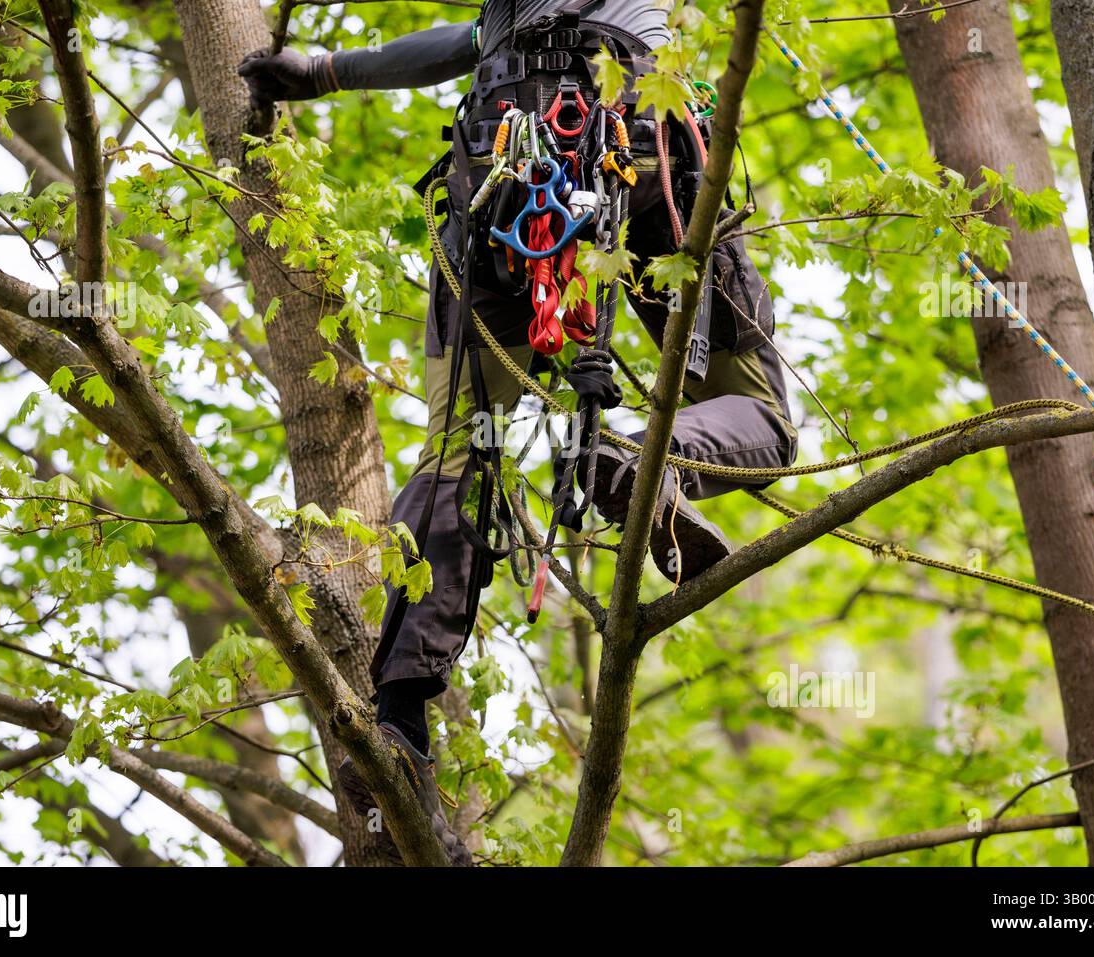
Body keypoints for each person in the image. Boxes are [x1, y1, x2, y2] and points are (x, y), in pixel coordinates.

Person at [239, 0, 797, 863]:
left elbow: (451, 49)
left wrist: (319, 73)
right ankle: (642, 465)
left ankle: (398, 716)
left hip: (502, 170)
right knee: (763, 417)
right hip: (639, 146)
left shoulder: (505, 15)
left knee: (458, 452)